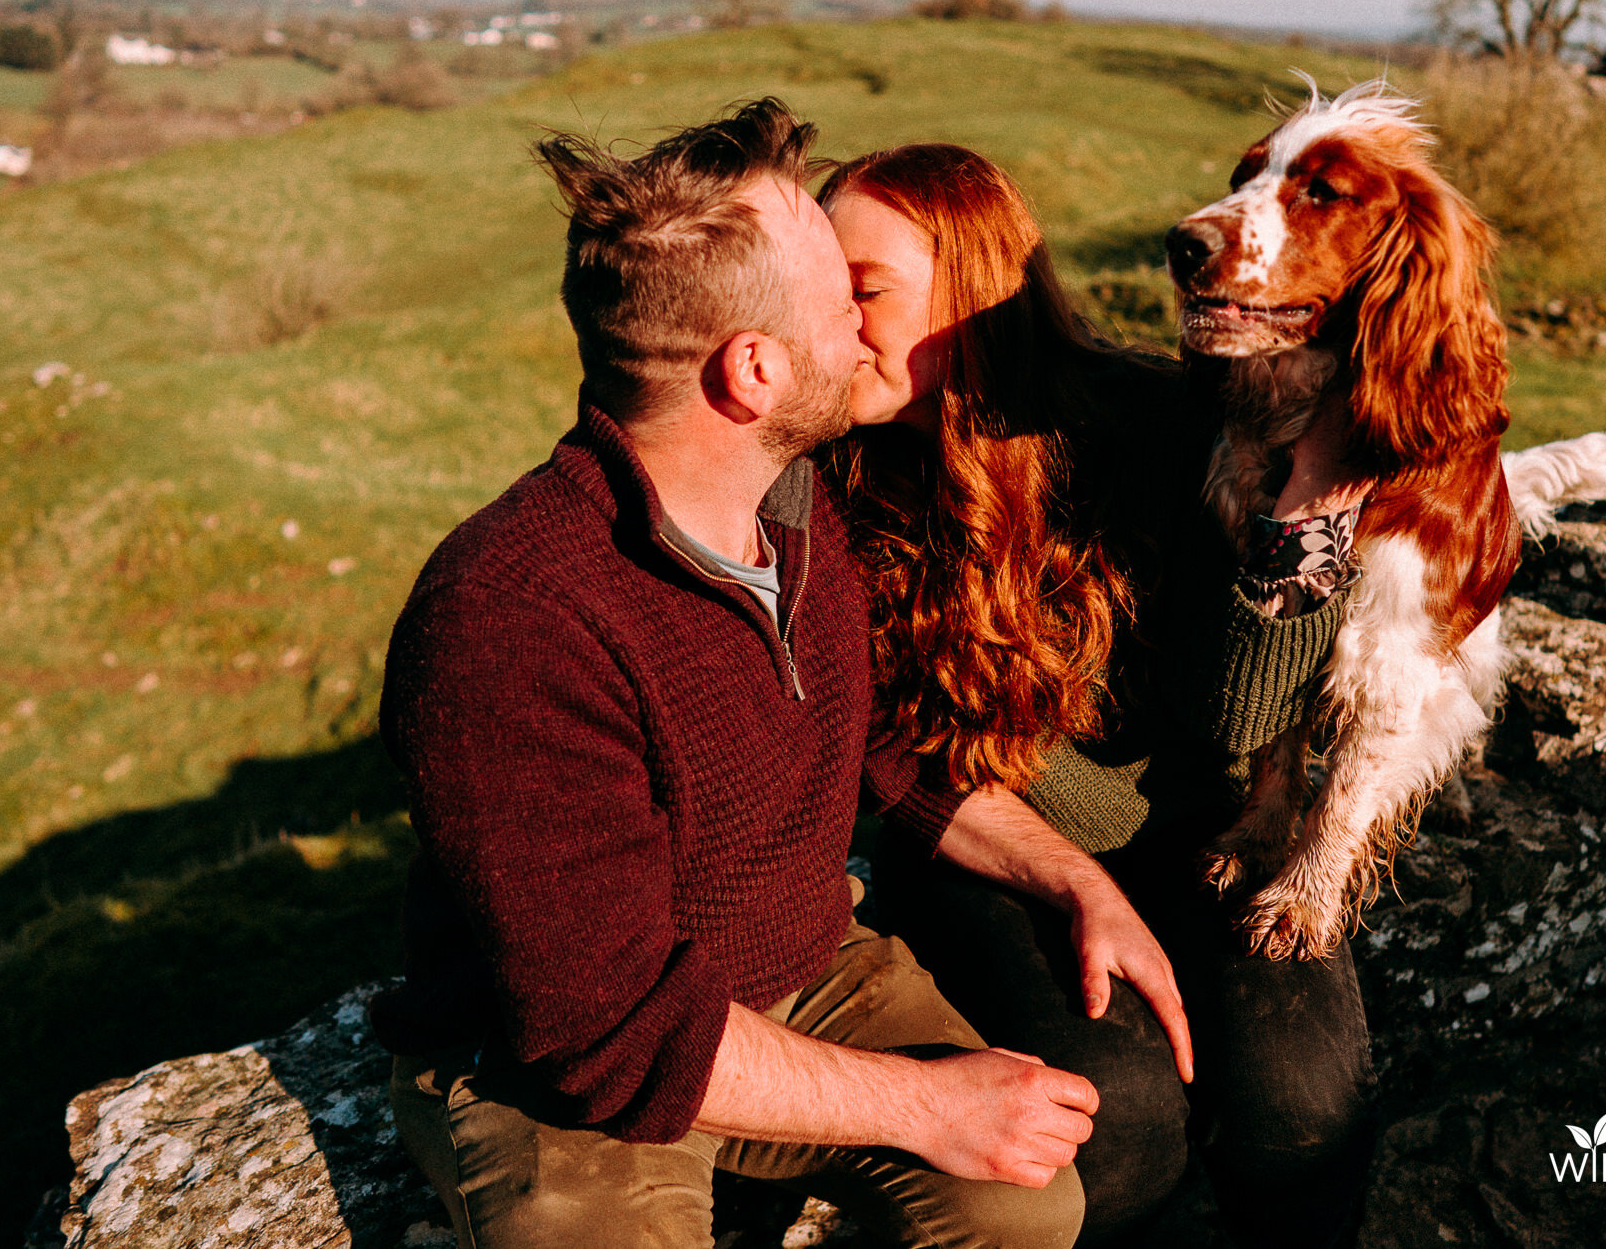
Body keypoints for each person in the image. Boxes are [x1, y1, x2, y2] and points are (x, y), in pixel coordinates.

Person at [368, 100, 1193, 1249]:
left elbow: (879, 753)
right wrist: (922, 1103)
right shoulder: (511, 615)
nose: (866, 342)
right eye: (837, 308)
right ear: (752, 370)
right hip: (556, 1071)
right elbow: (607, 1032)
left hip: (805, 975)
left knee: (1026, 1198)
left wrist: (1071, 880)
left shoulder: (801, 517)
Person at [819, 144, 1379, 1248]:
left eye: (863, 291)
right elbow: (884, 754)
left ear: (972, 296)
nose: (826, 325)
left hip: (1204, 827)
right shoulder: (824, 477)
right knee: (1113, 1130)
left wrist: (1303, 512)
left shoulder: (1155, 429)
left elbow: (1237, 724)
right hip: (989, 850)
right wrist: (1078, 883)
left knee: (1305, 1110)